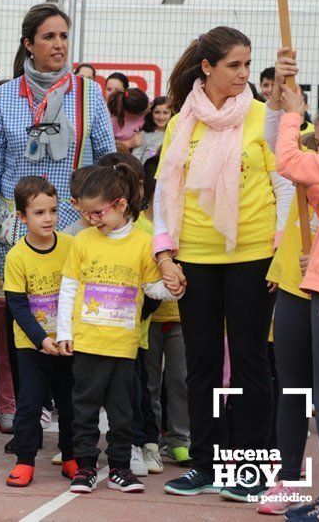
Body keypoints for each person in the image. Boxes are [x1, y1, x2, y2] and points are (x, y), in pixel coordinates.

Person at [155, 27, 294, 500]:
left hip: (253, 255)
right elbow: (163, 192)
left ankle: (253, 469)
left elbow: (286, 185)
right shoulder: (181, 122)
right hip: (194, 257)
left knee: (253, 361)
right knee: (203, 364)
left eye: (248, 65)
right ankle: (207, 464)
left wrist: (280, 249)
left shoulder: (263, 117)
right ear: (207, 68)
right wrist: (164, 253)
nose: (243, 74)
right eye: (234, 65)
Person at [0, 3, 115, 394]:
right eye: (49, 36)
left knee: (69, 320)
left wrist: (100, 215)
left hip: (76, 232)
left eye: (64, 35)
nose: (59, 44)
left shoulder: (88, 94)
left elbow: (107, 161)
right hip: (18, 236)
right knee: (23, 324)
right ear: (28, 44)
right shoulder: (4, 97)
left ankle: (69, 422)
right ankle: (24, 412)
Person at [59, 164, 181, 494]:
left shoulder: (143, 243)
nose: (91, 219)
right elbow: (69, 288)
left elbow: (152, 287)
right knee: (83, 408)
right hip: (87, 342)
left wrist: (173, 288)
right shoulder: (83, 241)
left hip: (124, 345)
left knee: (122, 410)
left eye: (97, 213)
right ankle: (84, 466)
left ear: (121, 205)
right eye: (86, 213)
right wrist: (63, 333)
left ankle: (120, 468)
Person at [270, 82, 319, 519]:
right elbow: (288, 162)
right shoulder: (314, 173)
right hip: (297, 283)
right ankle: (288, 478)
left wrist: (294, 113)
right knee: (293, 387)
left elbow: (288, 159)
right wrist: (287, 105)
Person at [4, 176, 76, 487]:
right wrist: (42, 340)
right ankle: (25, 460)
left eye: (53, 211)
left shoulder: (72, 247)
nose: (48, 218)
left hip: (67, 344)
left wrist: (65, 336)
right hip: (32, 346)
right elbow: (18, 306)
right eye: (39, 213)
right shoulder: (16, 256)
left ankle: (72, 455)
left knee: (70, 402)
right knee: (30, 403)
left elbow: (79, 294)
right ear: (22, 216)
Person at [135, 155, 191, 471]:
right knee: (150, 384)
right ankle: (150, 440)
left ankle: (181, 441)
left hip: (183, 317)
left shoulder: (189, 221)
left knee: (181, 380)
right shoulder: (141, 227)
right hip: (148, 320)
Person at [108, 88, 149, 154]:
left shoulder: (144, 101)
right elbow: (106, 146)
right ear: (133, 113)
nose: (149, 109)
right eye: (146, 110)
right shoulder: (113, 122)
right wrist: (128, 143)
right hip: (124, 159)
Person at [132, 96, 171, 162]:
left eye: (165, 113)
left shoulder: (175, 135)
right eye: (157, 112)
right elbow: (135, 158)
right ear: (151, 113)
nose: (161, 117)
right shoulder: (143, 135)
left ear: (172, 114)